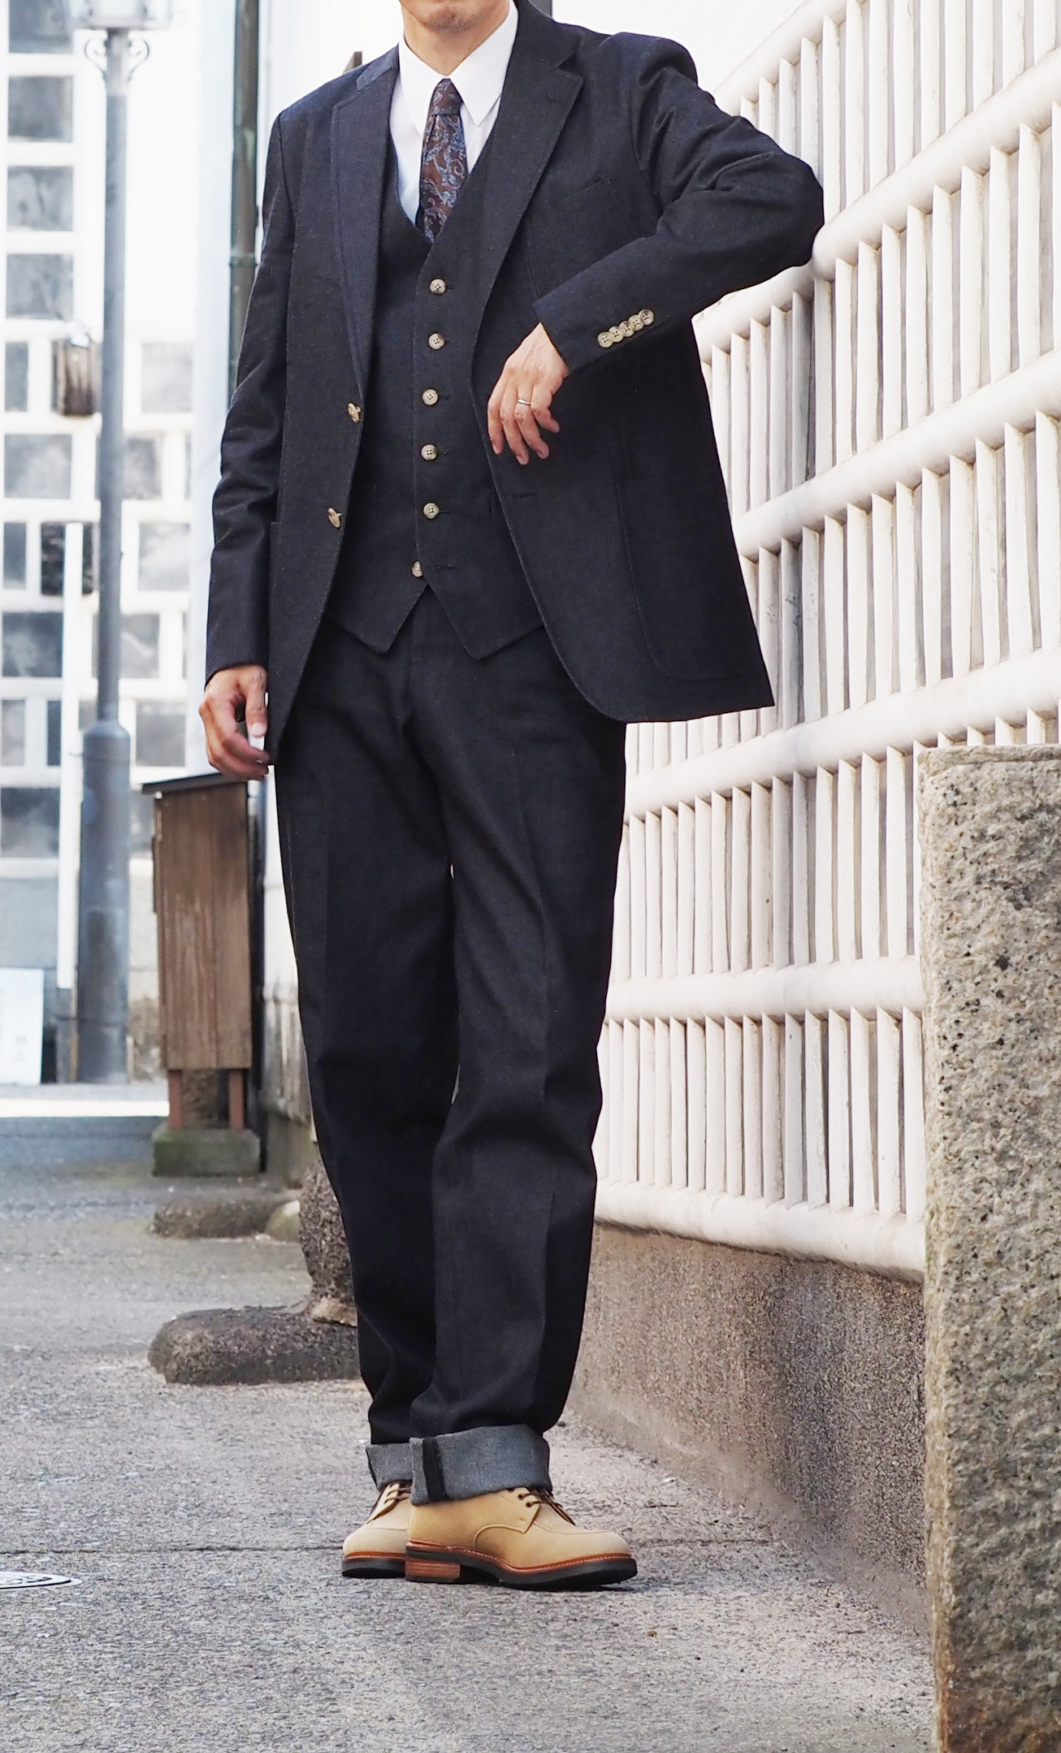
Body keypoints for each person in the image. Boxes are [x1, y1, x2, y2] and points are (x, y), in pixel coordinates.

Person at [201, 0, 823, 1589]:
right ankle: (410, 1462)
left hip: (533, 654)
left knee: (527, 1046)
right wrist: (235, 635)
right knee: (366, 1052)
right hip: (338, 654)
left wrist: (577, 323)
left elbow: (772, 200)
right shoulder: (314, 136)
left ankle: (491, 1457)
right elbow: (267, 407)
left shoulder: (618, 87)